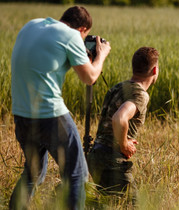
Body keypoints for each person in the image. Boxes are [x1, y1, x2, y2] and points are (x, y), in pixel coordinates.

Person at [10, 6, 111, 209]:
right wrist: (101, 55)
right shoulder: (71, 35)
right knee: (76, 175)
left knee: (33, 173)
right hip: (50, 115)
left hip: (21, 114)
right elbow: (90, 77)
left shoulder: (31, 25)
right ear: (82, 28)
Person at [87, 47, 159, 205]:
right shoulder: (140, 94)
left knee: (111, 204)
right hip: (111, 159)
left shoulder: (118, 87)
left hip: (96, 155)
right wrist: (124, 143)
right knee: (133, 205)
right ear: (155, 70)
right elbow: (119, 118)